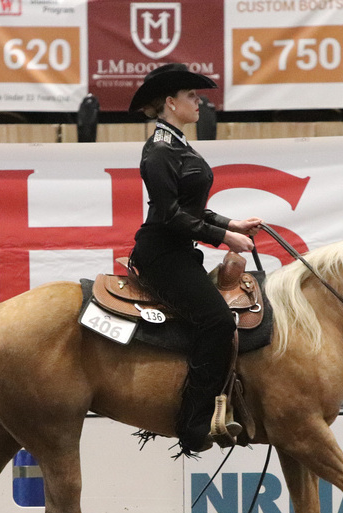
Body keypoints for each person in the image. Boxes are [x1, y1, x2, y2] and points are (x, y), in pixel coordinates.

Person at [127, 63, 263, 455]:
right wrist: (225, 237)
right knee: (217, 322)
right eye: (191, 96)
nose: (198, 101)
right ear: (170, 103)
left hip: (178, 252)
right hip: (162, 256)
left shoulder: (178, 145)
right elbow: (170, 215)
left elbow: (191, 209)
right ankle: (194, 423)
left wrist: (230, 222)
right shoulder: (159, 151)